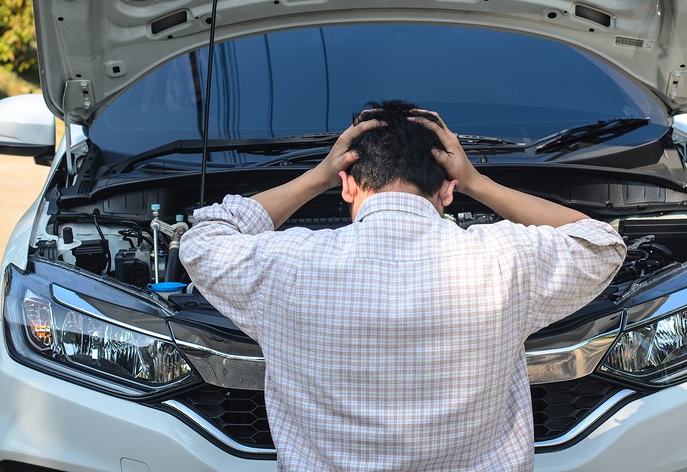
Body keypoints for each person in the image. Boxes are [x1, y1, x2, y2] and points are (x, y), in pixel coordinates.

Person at [179, 100, 626, 471]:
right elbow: (601, 242)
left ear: (348, 185)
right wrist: (479, 182)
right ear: (448, 191)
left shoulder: (285, 262)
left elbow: (204, 238)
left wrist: (317, 176)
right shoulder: (504, 258)